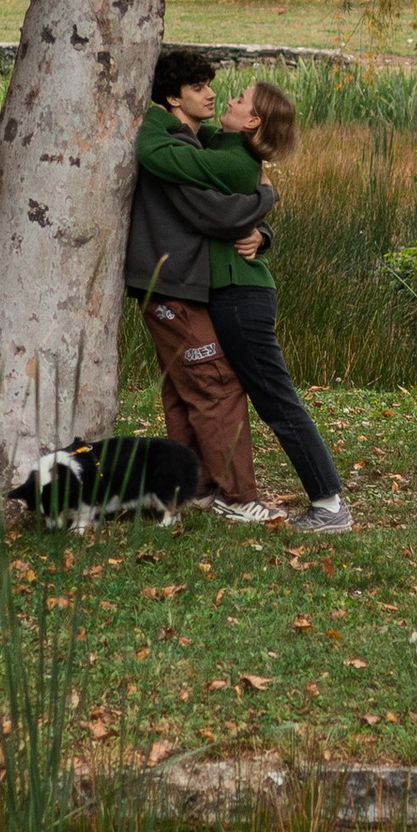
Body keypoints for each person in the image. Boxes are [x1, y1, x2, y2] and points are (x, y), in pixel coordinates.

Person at [195, 81, 353, 535]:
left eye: (240, 100)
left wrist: (264, 218)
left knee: (277, 400)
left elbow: (193, 172)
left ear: (253, 121)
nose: (227, 99)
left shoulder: (233, 160)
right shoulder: (230, 150)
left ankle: (329, 504)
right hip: (238, 292)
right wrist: (264, 220)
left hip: (242, 296)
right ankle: (208, 485)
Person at [126, 46, 276, 519]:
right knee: (217, 385)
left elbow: (234, 180)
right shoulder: (167, 149)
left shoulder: (196, 141)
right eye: (198, 88)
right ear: (173, 98)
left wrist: (262, 231)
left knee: (186, 390)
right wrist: (266, 198)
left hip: (181, 286)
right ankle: (238, 498)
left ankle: (197, 487)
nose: (211, 94)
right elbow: (216, 213)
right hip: (171, 286)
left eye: (211, 85)